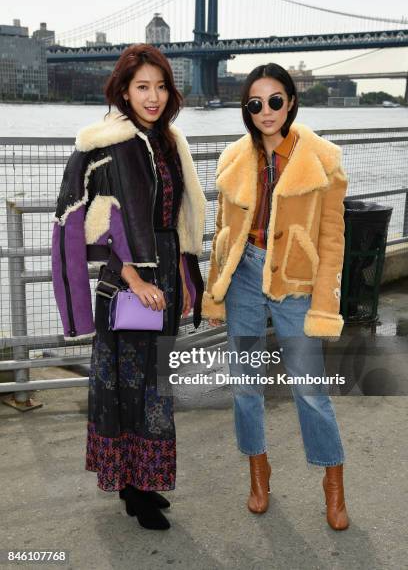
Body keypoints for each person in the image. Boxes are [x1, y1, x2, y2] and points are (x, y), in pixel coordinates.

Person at [52, 44, 206, 530]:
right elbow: (89, 225)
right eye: (143, 86)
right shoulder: (102, 145)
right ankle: (130, 489)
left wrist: (182, 279)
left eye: (161, 86)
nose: (153, 96)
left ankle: (145, 480)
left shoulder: (167, 142)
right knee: (123, 386)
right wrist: (136, 279)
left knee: (155, 384)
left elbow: (175, 219)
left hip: (166, 275)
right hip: (127, 283)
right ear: (123, 90)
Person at [202, 62, 349, 530]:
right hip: (243, 275)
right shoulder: (233, 159)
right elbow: (224, 233)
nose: (266, 111)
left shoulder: (322, 158)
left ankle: (333, 484)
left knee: (309, 391)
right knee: (246, 387)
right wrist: (214, 293)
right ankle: (258, 473)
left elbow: (332, 238)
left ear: (291, 100)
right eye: (255, 103)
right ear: (246, 109)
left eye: (275, 100)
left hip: (295, 283)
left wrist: (325, 304)